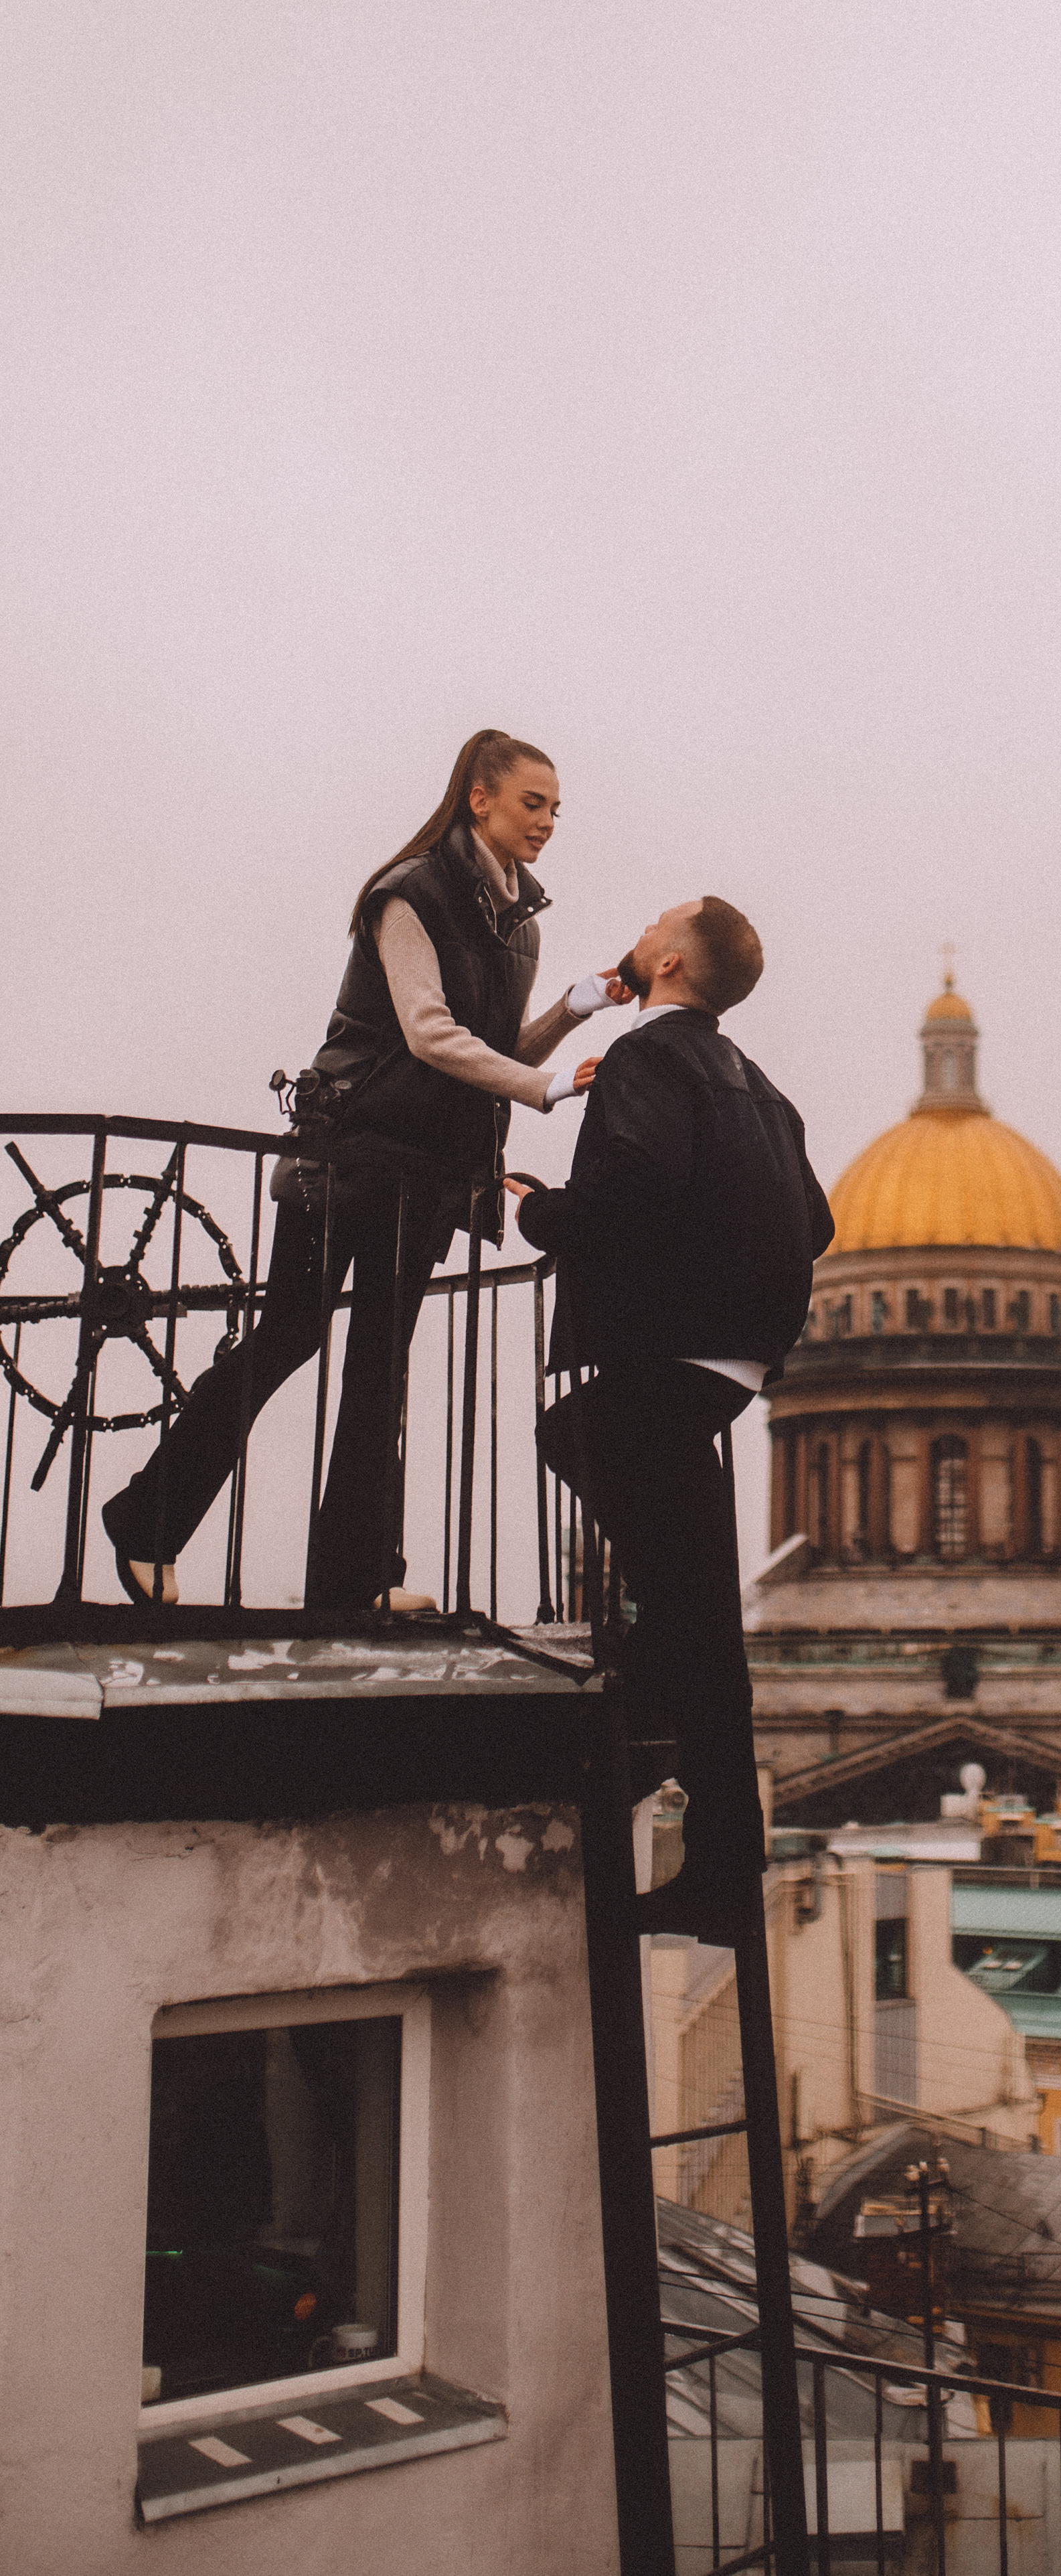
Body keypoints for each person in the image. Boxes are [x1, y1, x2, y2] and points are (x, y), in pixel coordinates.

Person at [103, 728, 627, 1614]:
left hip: (423, 1171)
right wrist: (541, 1089)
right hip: (349, 1155)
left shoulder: (517, 924)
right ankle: (148, 1524)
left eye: (555, 810)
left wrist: (575, 1010)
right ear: (480, 797)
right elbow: (429, 1037)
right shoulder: (409, 892)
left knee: (379, 1368)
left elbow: (484, 1050)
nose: (547, 823)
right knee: (291, 1337)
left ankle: (352, 1581)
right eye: (532, 803)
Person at [509, 897, 833, 1941]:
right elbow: (817, 1220)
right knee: (700, 1612)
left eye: (655, 923)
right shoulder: (760, 1084)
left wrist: (532, 1208)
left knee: (577, 1440)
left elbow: (633, 1183)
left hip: (671, 1344)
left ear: (673, 958)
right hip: (738, 1358)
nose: (640, 930)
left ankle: (653, 1672)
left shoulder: (649, 1059)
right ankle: (724, 1873)